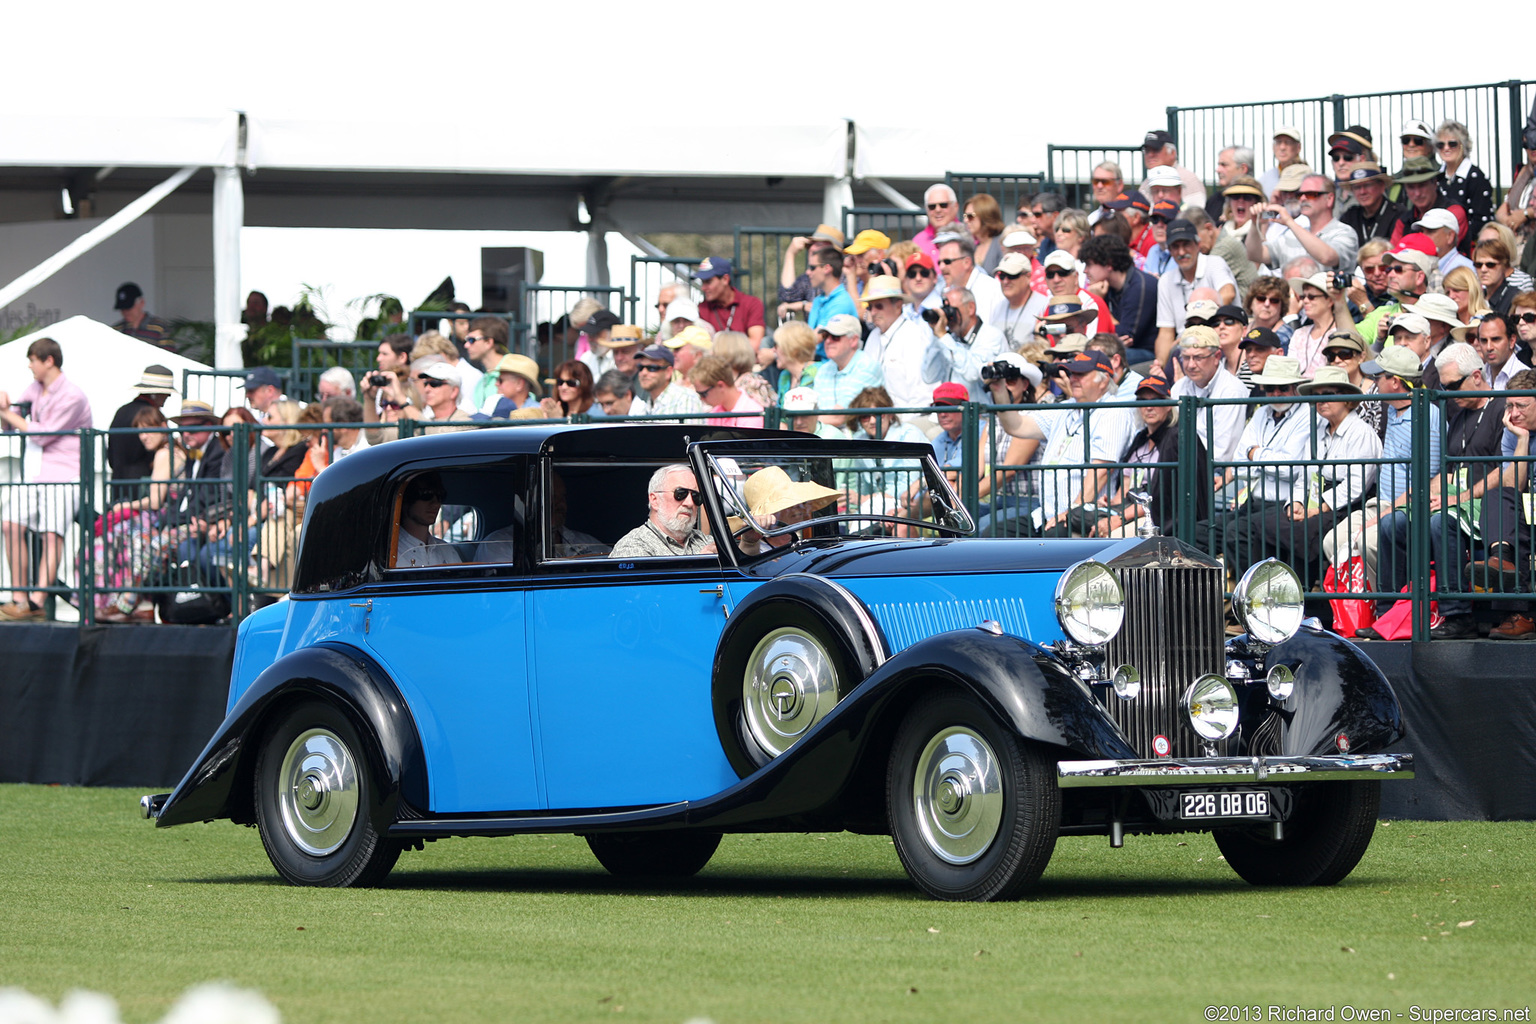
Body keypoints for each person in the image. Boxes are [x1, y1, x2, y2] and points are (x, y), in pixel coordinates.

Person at [1378, 343, 1506, 638]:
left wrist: (1459, 497)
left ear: (1476, 375)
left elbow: (1508, 471)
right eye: (1444, 386)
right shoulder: (1457, 412)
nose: (1447, 393)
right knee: (1392, 521)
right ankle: (1388, 613)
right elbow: (1444, 472)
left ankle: (1457, 615)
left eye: (1453, 385)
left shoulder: (1500, 408)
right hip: (1451, 498)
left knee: (1440, 521)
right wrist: (1417, 495)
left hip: (1487, 505)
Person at [1325, 345, 1441, 609]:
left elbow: (1426, 482)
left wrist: (1378, 518)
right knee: (1333, 540)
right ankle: (1361, 609)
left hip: (1408, 508)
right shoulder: (1391, 408)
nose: (1374, 383)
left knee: (1368, 544)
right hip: (1380, 504)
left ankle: (1384, 608)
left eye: (1378, 377)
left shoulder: (1428, 416)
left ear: (1395, 382)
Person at [988, 349, 1136, 537]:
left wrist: (1071, 512)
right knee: (995, 532)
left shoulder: (1113, 412)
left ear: (1104, 379)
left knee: (1053, 539)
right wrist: (1000, 392)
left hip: (1083, 516)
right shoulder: (1065, 408)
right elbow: (1017, 426)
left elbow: (1101, 471)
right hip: (1045, 515)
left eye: (1081, 374)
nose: (1073, 378)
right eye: (1073, 373)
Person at [0, 338, 94, 619]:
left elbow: (41, 433)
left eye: (33, 360)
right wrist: (6, 409)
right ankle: (19, 596)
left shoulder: (73, 396)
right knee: (10, 525)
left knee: (52, 535)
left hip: (64, 475)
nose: (30, 366)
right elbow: (12, 426)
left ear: (48, 360)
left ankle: (38, 601)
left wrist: (6, 413)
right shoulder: (33, 389)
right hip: (33, 472)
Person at [94, 406, 186, 622]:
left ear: (163, 427)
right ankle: (133, 603)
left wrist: (126, 507)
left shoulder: (165, 453)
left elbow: (156, 500)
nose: (143, 436)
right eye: (140, 431)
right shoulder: (170, 451)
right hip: (168, 520)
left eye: (148, 430)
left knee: (119, 539)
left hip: (169, 521)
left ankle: (119, 603)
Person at [1468, 368, 1536, 639]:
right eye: (1509, 405)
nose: (1514, 413)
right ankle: (1502, 558)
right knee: (1497, 496)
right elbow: (1513, 486)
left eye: (1522, 405)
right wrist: (1521, 439)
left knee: (1512, 516)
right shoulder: (1514, 432)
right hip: (1528, 505)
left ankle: (1521, 616)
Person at [1155, 220, 1237, 365]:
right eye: (1175, 247)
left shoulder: (1214, 263)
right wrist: (1160, 365)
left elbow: (1228, 293)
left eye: (1186, 244)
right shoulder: (1165, 280)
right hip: (1185, 348)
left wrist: (1197, 326)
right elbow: (1165, 332)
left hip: (1217, 341)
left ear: (1198, 244)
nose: (1181, 252)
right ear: (1169, 250)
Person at [1247, 173, 1359, 274]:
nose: (1303, 199)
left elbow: (1327, 258)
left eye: (1311, 194)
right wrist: (1254, 223)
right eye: (1300, 195)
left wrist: (1290, 223)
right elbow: (1255, 255)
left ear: (1329, 199)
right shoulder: (1291, 235)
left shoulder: (1344, 232)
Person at [922, 285, 1009, 402]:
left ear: (970, 308)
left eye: (952, 310)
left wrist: (944, 337)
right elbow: (929, 376)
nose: (949, 317)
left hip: (980, 415)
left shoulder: (990, 336)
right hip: (950, 413)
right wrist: (936, 336)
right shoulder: (949, 339)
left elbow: (973, 373)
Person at [1080, 234, 1158, 362]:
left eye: (1089, 265)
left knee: (1098, 359)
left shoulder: (1140, 286)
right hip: (1120, 350)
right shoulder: (1106, 287)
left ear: (1108, 264)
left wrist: (1100, 303)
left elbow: (1124, 337)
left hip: (1147, 354)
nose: (1085, 271)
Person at [106, 365, 176, 505]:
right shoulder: (151, 415)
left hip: (118, 481)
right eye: (165, 395)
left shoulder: (122, 411)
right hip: (143, 487)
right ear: (156, 394)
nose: (166, 400)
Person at [610, 464, 714, 557]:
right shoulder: (632, 547)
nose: (690, 503)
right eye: (681, 493)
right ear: (654, 500)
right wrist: (704, 563)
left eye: (696, 496)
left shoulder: (706, 541)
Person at [861, 275, 929, 416]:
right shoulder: (873, 337)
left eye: (879, 306)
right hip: (876, 420)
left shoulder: (913, 335)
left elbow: (921, 394)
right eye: (870, 307)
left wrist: (902, 425)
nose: (873, 312)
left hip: (909, 418)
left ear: (898, 305)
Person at [1434, 120, 1495, 251]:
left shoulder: (1476, 178)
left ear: (1464, 146)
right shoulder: (1437, 178)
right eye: (1440, 144)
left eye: (1452, 144)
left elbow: (1482, 221)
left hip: (1467, 248)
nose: (1446, 148)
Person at [811, 314, 881, 427]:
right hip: (826, 437)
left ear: (853, 340)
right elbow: (815, 410)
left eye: (835, 336)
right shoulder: (824, 370)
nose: (828, 341)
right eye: (825, 336)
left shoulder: (867, 366)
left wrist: (803, 423)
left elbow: (839, 417)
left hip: (858, 441)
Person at [394, 473, 462, 568]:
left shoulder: (446, 550)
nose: (435, 504)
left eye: (440, 496)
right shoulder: (390, 553)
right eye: (426, 495)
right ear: (406, 501)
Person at [695, 257, 765, 347]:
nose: (703, 288)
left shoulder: (751, 303)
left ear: (725, 279)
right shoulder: (702, 308)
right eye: (702, 282)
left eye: (708, 282)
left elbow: (755, 344)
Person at [936, 235, 1004, 323]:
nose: (941, 267)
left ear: (967, 263)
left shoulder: (991, 290)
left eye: (947, 262)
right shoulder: (944, 290)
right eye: (939, 262)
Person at [1137, 129, 1207, 207]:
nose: (1150, 155)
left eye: (1156, 150)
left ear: (1173, 153)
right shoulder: (1146, 183)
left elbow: (1195, 215)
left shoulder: (1188, 180)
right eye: (1147, 150)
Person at [1339, 164, 1404, 247]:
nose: (1362, 192)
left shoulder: (1398, 214)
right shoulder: (1350, 216)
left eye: (1367, 185)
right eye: (1357, 187)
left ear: (1382, 186)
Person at [633, 344, 704, 420]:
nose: (643, 373)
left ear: (668, 372)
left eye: (652, 368)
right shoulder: (643, 406)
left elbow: (690, 432)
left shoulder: (685, 398)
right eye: (640, 367)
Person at [691, 354, 763, 428]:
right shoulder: (715, 412)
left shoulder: (752, 414)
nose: (701, 398)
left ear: (721, 386)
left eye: (704, 394)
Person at [463, 317, 510, 411]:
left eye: (472, 340)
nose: (466, 345)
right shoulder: (482, 380)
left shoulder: (513, 372)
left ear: (489, 342)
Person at [1476, 312, 1530, 391]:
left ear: (1512, 341)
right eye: (1484, 340)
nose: (1489, 347)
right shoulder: (1476, 377)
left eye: (1496, 339)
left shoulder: (1529, 380)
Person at [110, 282, 174, 348]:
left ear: (142, 303)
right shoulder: (117, 330)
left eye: (129, 307)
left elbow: (169, 356)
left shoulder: (160, 328)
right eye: (122, 308)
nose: (126, 312)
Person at [769, 322, 819, 404]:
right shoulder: (785, 376)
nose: (773, 350)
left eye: (776, 345)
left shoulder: (817, 372)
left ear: (792, 348)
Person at [913, 184, 961, 261]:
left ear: (955, 206)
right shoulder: (918, 241)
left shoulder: (969, 237)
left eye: (943, 205)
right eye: (932, 206)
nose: (938, 210)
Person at [1474, 239, 1522, 314]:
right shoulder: (1476, 297)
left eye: (1490, 265)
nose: (1483, 269)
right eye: (1478, 265)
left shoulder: (1515, 298)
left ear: (1504, 265)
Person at [963, 194, 1007, 273]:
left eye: (970, 216)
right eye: (965, 216)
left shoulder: (1001, 244)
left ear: (984, 216)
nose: (966, 220)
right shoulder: (972, 246)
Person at [1258, 126, 1305, 198]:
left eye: (1288, 142)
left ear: (1298, 147)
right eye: (1278, 142)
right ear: (1273, 147)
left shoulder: (1307, 176)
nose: (1282, 147)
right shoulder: (1265, 179)